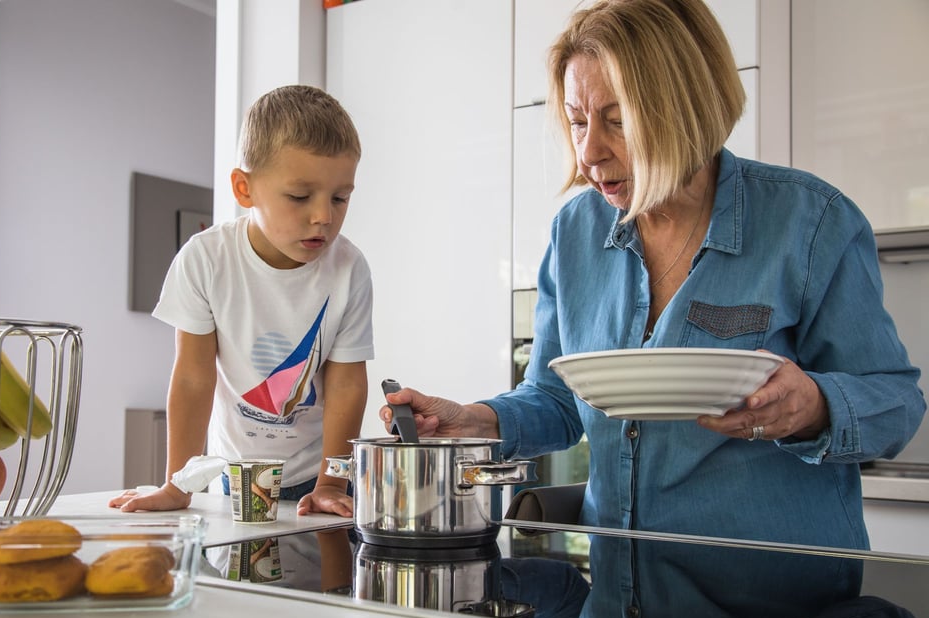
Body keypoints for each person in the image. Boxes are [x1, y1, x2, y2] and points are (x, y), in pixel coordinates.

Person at [381, 0, 925, 548]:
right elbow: (558, 398)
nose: (589, 151)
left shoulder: (811, 222)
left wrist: (813, 404)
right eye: (576, 122)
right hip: (614, 603)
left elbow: (898, 405)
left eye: (617, 120)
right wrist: (471, 422)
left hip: (777, 610)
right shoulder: (575, 232)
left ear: (687, 107)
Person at [111, 84, 372, 518]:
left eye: (340, 198)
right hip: (232, 474)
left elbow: (347, 384)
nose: (324, 216)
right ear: (243, 189)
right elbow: (194, 378)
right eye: (300, 196)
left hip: (318, 477)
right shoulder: (205, 258)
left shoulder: (349, 268)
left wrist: (332, 481)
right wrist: (178, 484)